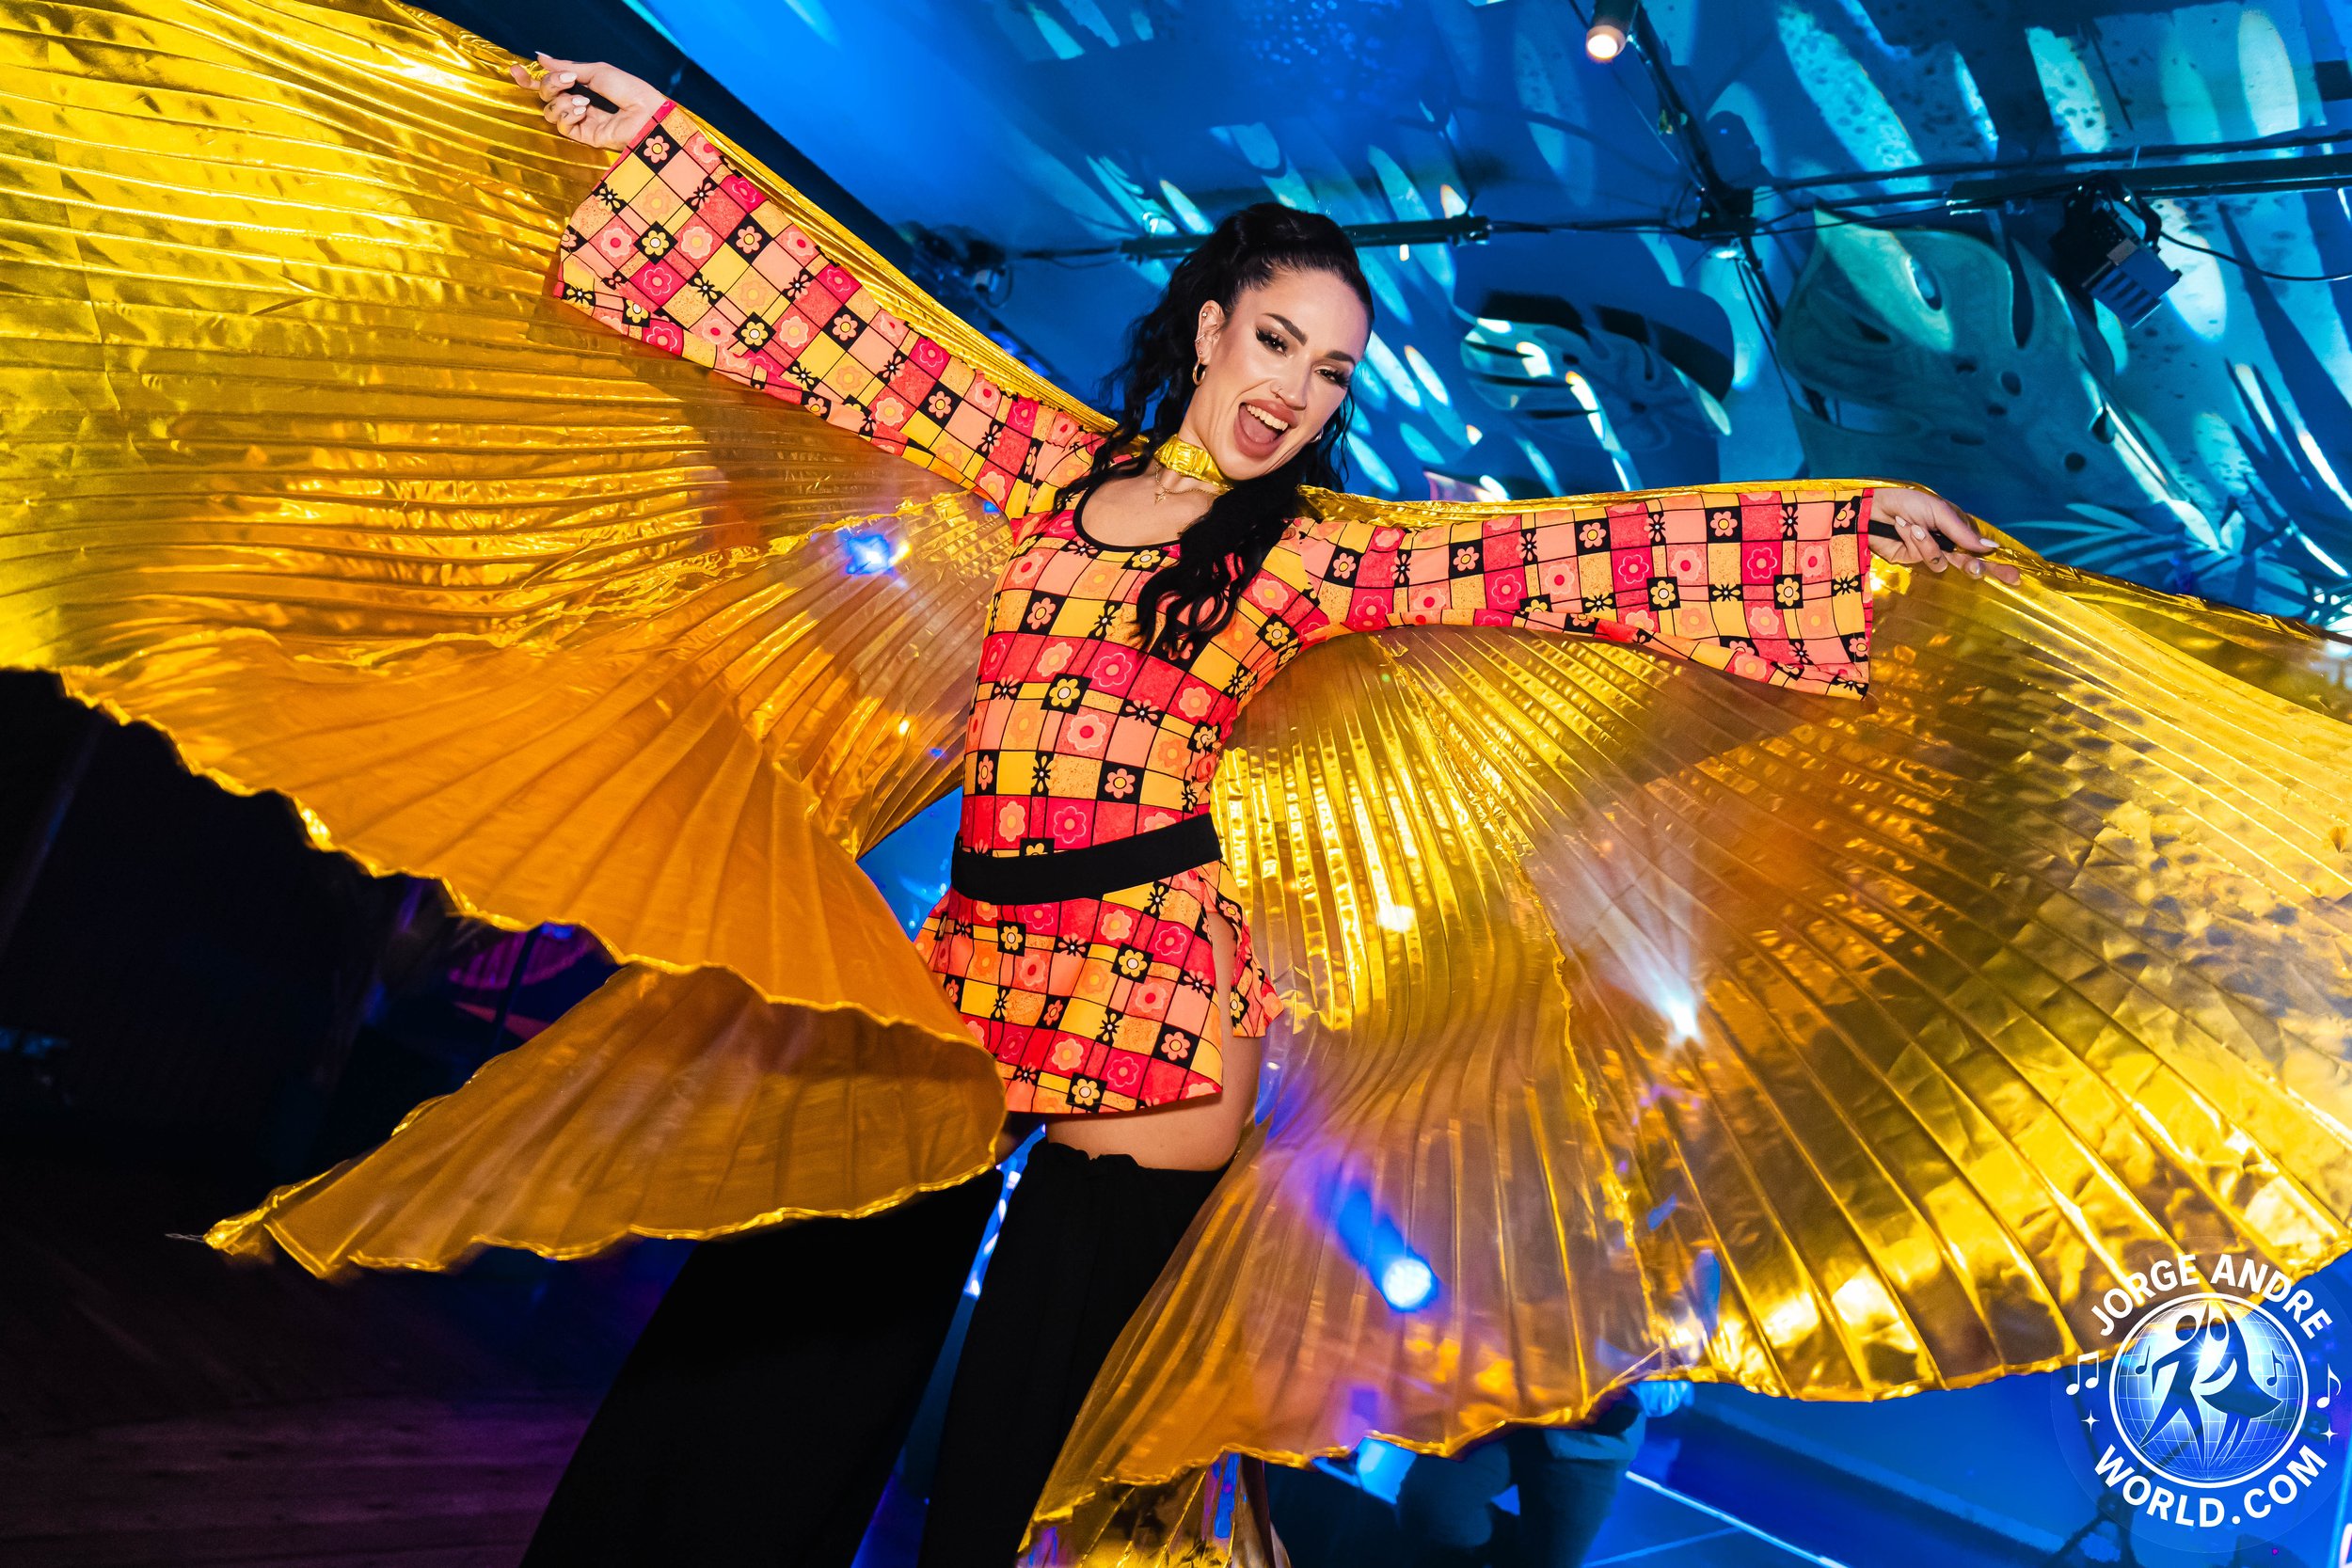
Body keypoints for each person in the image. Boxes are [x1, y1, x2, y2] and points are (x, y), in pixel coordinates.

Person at [499, 53, 2007, 1568]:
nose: (1292, 391)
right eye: (1277, 341)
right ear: (1212, 328)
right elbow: (868, 345)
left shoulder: (1316, 556)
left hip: (1154, 1002)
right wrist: (665, 151)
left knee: (1027, 1470)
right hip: (975, 965)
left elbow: (1575, 560)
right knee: (786, 1345)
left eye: (1331, 371)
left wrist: (1853, 526)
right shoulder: (1048, 466)